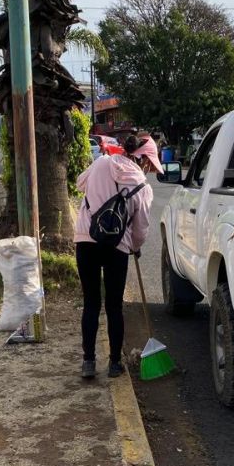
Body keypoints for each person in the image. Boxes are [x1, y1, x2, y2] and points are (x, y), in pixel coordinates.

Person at [75, 134, 162, 378]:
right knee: (114, 306)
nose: (149, 168)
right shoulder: (143, 186)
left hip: (86, 240)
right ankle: (114, 363)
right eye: (150, 163)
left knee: (91, 303)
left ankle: (89, 362)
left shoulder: (102, 162)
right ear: (143, 159)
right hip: (117, 247)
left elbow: (81, 183)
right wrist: (135, 246)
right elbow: (141, 228)